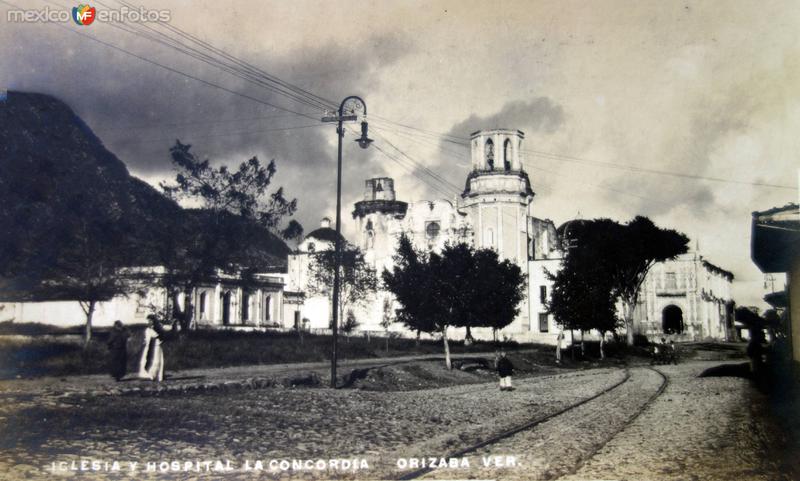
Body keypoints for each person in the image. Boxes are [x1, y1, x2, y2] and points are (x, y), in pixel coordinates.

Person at [138, 315, 165, 382]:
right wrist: (145, 341)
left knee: (156, 361)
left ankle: (155, 375)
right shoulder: (148, 329)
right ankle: (146, 375)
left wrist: (157, 337)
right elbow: (147, 338)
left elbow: (161, 336)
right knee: (145, 360)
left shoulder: (157, 328)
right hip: (149, 347)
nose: (149, 322)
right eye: (148, 320)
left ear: (153, 321)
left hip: (156, 346)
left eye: (150, 320)